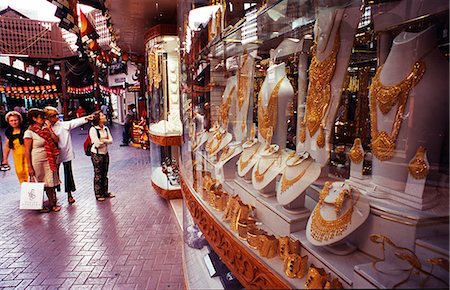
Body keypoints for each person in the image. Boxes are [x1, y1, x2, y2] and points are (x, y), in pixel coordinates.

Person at [44, 106, 94, 204]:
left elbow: (73, 122)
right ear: (48, 117)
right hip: (53, 155)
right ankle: (54, 194)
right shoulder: (45, 128)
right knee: (54, 175)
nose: (56, 117)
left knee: (68, 173)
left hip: (65, 153)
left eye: (57, 115)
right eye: (53, 116)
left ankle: (69, 194)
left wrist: (86, 118)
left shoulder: (62, 125)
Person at [24, 108, 61, 212]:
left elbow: (56, 140)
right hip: (37, 159)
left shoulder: (45, 129)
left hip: (49, 159)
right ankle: (38, 205)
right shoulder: (29, 133)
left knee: (50, 181)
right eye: (41, 117)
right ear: (34, 118)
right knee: (39, 182)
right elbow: (27, 151)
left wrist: (49, 129)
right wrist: (29, 167)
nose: (44, 119)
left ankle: (52, 204)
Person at [89, 111, 115, 201]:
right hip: (97, 154)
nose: (104, 116)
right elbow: (97, 144)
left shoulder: (106, 128)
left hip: (105, 153)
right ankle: (98, 194)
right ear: (98, 119)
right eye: (102, 115)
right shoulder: (93, 129)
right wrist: (105, 140)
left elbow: (111, 140)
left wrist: (102, 140)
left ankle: (105, 192)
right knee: (98, 174)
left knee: (105, 173)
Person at [2, 111, 28, 182]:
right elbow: (6, 146)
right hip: (17, 157)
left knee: (28, 173)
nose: (14, 122)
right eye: (11, 121)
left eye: (16, 120)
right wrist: (5, 159)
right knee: (20, 173)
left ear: (20, 120)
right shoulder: (9, 132)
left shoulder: (26, 130)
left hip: (28, 156)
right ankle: (25, 191)